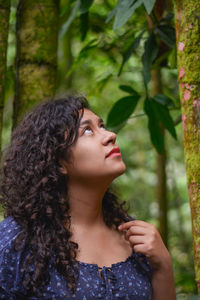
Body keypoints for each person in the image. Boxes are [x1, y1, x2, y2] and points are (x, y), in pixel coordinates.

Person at [0, 96, 176, 299]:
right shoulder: (15, 241)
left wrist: (163, 266)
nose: (110, 135)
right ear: (58, 162)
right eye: (88, 130)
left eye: (102, 125)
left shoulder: (135, 237)